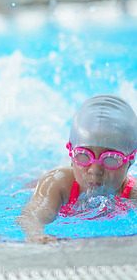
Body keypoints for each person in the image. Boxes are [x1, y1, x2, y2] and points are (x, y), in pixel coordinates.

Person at [18, 95, 137, 243]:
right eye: (84, 155)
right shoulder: (58, 183)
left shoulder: (133, 194)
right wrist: (36, 235)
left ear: (130, 159)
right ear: (72, 152)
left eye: (111, 158)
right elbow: (32, 215)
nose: (95, 169)